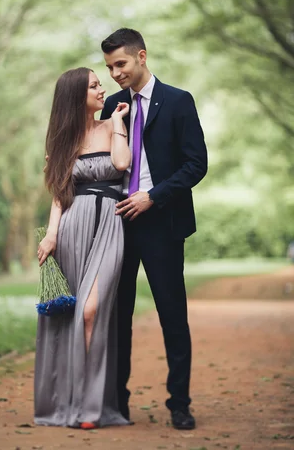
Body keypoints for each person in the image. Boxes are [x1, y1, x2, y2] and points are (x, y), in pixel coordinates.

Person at [100, 28, 208, 430]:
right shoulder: (112, 105)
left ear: (141, 56)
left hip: (163, 223)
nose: (115, 73)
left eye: (121, 64)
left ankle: (179, 403)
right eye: (109, 67)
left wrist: (153, 195)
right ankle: (117, 402)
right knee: (118, 316)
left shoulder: (179, 101)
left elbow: (196, 164)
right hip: (117, 224)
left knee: (172, 315)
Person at [34, 67, 131, 428]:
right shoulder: (62, 141)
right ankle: (69, 403)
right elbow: (60, 195)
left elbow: (122, 163)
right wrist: (51, 235)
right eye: (94, 85)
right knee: (67, 317)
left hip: (108, 225)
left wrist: (118, 123)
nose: (102, 88)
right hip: (72, 230)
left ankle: (91, 406)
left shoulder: (112, 126)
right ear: (77, 95)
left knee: (91, 310)